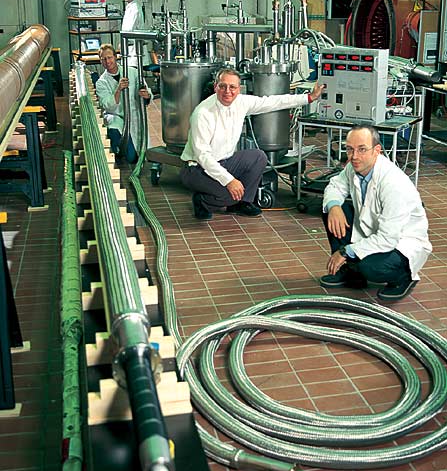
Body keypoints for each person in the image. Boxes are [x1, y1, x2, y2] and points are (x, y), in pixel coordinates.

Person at [180, 67, 325, 220]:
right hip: (196, 169)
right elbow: (203, 156)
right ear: (216, 87)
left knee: (258, 157)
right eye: (222, 86)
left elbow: (272, 102)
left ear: (239, 88)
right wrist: (229, 181)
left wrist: (309, 98)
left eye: (232, 87)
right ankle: (202, 201)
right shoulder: (203, 113)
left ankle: (242, 203)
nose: (227, 91)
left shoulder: (241, 102)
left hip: (224, 161)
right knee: (229, 194)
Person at [320, 125, 431, 302]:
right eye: (350, 149)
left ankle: (404, 278)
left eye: (362, 149)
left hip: (400, 243)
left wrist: (345, 251)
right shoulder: (355, 167)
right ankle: (351, 273)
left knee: (371, 267)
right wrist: (334, 207)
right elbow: (335, 186)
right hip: (374, 232)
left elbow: (388, 238)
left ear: (377, 150)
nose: (354, 156)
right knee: (332, 212)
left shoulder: (393, 183)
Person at [96, 43, 152, 163]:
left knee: (143, 153)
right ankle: (117, 151)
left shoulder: (132, 72)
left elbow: (147, 93)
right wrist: (118, 90)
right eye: (103, 59)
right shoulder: (101, 82)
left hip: (135, 116)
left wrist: (146, 95)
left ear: (115, 57)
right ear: (100, 61)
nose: (107, 61)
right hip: (118, 117)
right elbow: (107, 106)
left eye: (109, 57)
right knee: (131, 157)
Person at [122, 0, 144, 68]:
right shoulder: (130, 7)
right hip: (130, 43)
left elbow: (129, 28)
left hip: (133, 44)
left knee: (133, 68)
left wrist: (123, 40)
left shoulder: (135, 8)